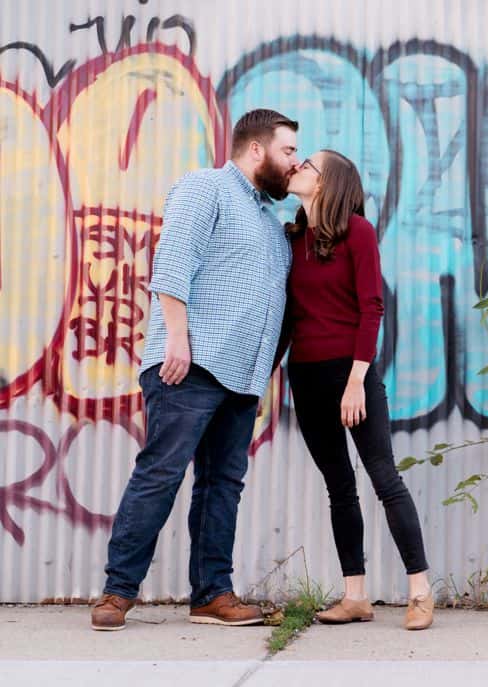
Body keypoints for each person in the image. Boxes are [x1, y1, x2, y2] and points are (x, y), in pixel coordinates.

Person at [91, 109, 299, 631]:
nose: (293, 162)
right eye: (289, 151)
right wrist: (177, 341)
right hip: (191, 365)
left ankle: (211, 593)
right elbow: (173, 263)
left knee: (222, 484)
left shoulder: (272, 226)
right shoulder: (206, 187)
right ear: (258, 150)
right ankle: (117, 592)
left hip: (243, 377)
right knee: (160, 473)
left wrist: (263, 372)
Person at [281, 149, 433, 630]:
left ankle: (420, 591)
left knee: (385, 480)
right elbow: (288, 317)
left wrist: (355, 384)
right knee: (339, 488)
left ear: (329, 183)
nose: (297, 167)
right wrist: (264, 374)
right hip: (305, 378)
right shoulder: (294, 239)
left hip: (353, 378)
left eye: (308, 164)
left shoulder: (358, 234)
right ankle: (355, 596)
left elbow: (372, 309)